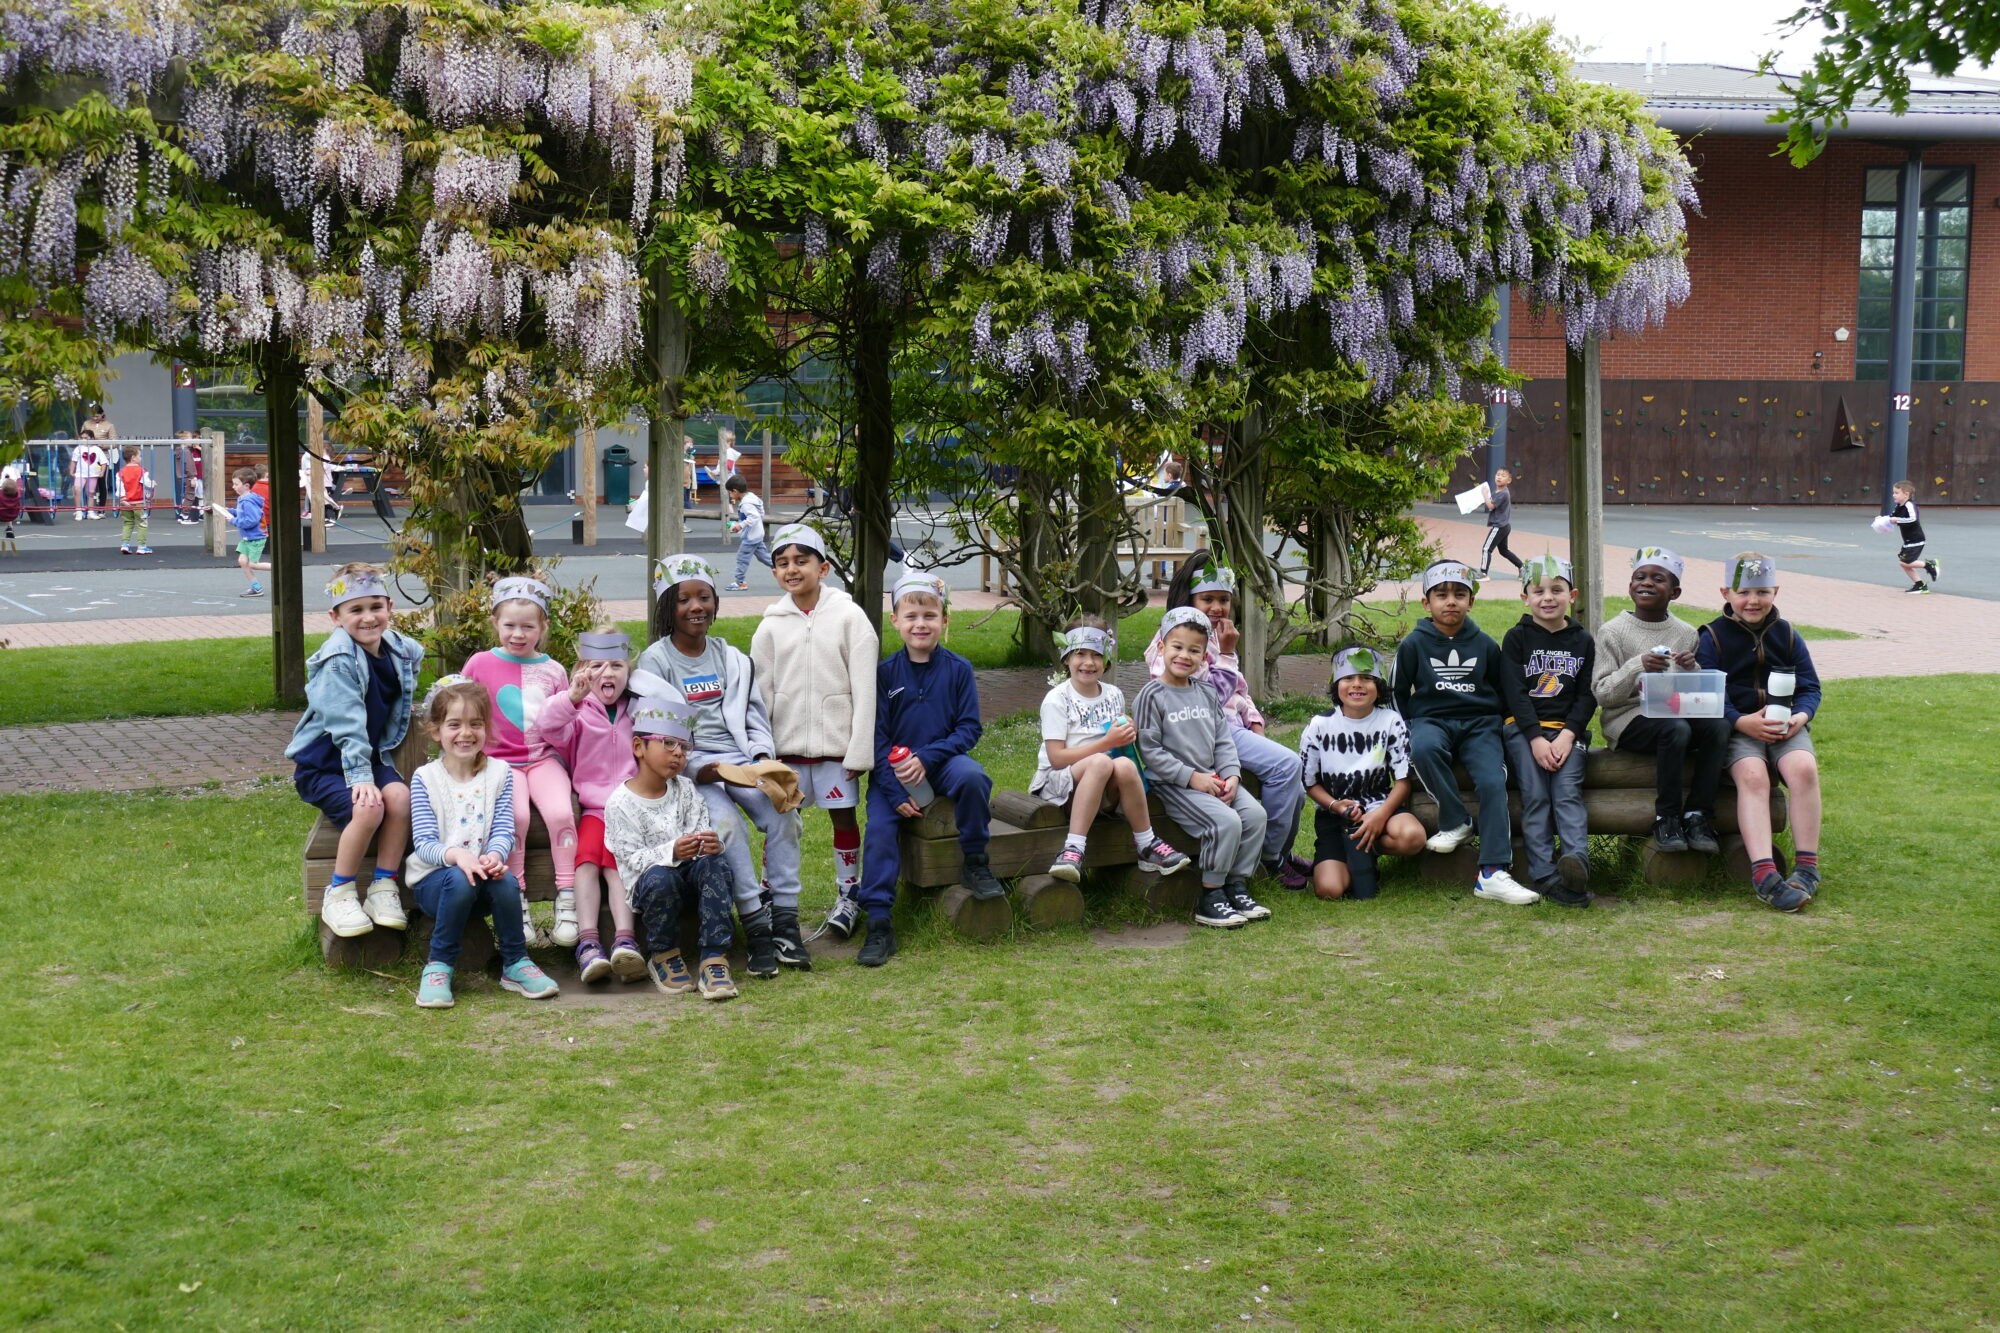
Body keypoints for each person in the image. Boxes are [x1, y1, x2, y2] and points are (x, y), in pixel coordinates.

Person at [638, 554, 804, 974]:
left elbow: (753, 715)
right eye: (683, 599)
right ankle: (756, 926)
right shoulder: (655, 663)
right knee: (724, 827)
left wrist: (763, 760)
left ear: (715, 602)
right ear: (666, 608)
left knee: (784, 813)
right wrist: (696, 769)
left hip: (741, 761)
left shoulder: (730, 657)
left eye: (704, 597)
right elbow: (658, 732)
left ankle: (786, 920)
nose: (696, 607)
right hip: (693, 769)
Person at [1143, 553, 1310, 891]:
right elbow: (1208, 699)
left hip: (1234, 729)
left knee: (1298, 789)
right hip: (1202, 734)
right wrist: (1229, 655)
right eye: (1208, 599)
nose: (1217, 607)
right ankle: (1271, 856)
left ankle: (1283, 851)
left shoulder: (1216, 638)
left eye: (1223, 600)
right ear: (1188, 599)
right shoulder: (1170, 643)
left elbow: (1240, 692)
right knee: (1288, 765)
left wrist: (1255, 719)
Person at [857, 574, 1001, 966]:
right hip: (894, 773)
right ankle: (879, 922)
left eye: (930, 615)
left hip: (942, 764)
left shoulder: (958, 669)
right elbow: (877, 738)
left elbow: (969, 728)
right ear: (895, 621)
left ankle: (975, 861)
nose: (921, 624)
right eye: (911, 616)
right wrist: (895, 790)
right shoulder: (884, 674)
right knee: (882, 830)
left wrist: (930, 757)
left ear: (944, 620)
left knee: (974, 777)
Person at [750, 523, 878, 939]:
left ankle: (848, 895)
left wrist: (859, 751)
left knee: (843, 819)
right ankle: (773, 895)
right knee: (781, 823)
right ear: (774, 573)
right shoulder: (770, 625)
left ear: (823, 568)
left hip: (836, 748)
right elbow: (760, 693)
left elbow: (865, 687)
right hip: (786, 749)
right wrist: (763, 752)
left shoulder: (849, 618)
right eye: (783, 563)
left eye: (801, 561)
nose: (792, 569)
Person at [287, 565, 425, 940]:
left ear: (389, 606)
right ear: (335, 617)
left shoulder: (396, 646)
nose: (368, 618)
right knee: (369, 806)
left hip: (370, 757)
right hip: (326, 766)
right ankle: (341, 891)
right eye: (355, 610)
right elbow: (348, 726)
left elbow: (416, 654)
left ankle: (384, 886)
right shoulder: (338, 662)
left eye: (375, 606)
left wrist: (405, 701)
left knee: (399, 798)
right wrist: (361, 779)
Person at [404, 676, 560, 1007]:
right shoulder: (425, 779)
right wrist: (459, 856)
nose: (466, 733)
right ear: (436, 732)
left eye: (475, 724)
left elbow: (504, 827)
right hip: (438, 885)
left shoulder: (500, 774)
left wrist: (493, 854)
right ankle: (439, 965)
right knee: (460, 878)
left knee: (504, 882)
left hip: (483, 884)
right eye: (454, 725)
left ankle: (516, 963)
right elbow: (424, 843)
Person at [1393, 559, 1539, 905]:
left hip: (1480, 725)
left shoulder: (1486, 645)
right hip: (1431, 720)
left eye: (1460, 594)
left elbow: (1502, 694)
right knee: (1424, 750)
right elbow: (1396, 693)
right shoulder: (1414, 644)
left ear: (1471, 601)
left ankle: (1492, 873)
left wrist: (1504, 727)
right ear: (1426, 603)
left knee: (1491, 781)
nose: (1451, 601)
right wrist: (1405, 729)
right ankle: (1455, 820)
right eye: (1441, 595)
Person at [1696, 554, 1825, 912]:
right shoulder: (1710, 637)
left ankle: (1807, 867)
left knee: (1803, 769)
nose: (1753, 601)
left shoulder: (1788, 635)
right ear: (1726, 591)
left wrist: (1801, 715)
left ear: (1776, 591)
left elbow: (1811, 686)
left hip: (1786, 725)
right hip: (1739, 728)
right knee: (1753, 777)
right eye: (1744, 592)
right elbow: (1708, 693)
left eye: (1763, 592)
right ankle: (1764, 872)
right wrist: (1740, 721)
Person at [461, 576, 579, 948]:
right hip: (500, 764)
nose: (517, 634)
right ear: (495, 623)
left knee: (561, 814)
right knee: (517, 819)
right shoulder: (480, 664)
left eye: (528, 626)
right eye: (509, 625)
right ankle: (518, 901)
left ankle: (568, 899)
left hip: (543, 760)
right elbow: (459, 704)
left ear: (543, 627)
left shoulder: (555, 671)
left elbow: (564, 725)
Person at [1136, 607, 1270, 928]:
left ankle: (1237, 886)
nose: (1185, 656)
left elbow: (1223, 740)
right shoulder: (1150, 696)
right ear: (1161, 648)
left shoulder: (1207, 693)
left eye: (1194, 650)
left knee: (1254, 816)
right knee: (1224, 823)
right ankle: (1211, 895)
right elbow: (1150, 751)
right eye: (1177, 647)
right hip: (1176, 785)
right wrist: (1191, 778)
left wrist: (1232, 774)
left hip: (1214, 778)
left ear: (1204, 656)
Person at [1591, 547, 1728, 858]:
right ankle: (1665, 817)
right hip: (1627, 719)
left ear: (1675, 591)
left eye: (1658, 578)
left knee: (1719, 726)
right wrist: (1636, 665)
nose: (1647, 583)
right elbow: (1603, 694)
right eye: (1640, 577)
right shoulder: (1612, 632)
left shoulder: (1686, 633)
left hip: (1672, 710)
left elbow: (1689, 692)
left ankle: (1698, 814)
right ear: (1629, 587)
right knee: (1676, 729)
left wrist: (1692, 668)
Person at [605, 691, 741, 1001]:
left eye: (684, 746)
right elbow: (629, 858)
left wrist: (710, 844)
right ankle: (663, 954)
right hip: (651, 885)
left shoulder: (686, 789)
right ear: (639, 747)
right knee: (659, 877)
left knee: (716, 864)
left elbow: (699, 828)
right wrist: (671, 852)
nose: (677, 753)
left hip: (691, 876)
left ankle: (714, 958)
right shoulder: (620, 803)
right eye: (668, 743)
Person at [1031, 617, 1189, 882]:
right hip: (1060, 786)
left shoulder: (1113, 694)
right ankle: (1073, 848)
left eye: (1096, 655)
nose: (1089, 662)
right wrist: (1106, 744)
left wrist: (1128, 731)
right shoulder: (1058, 699)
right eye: (1080, 653)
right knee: (1100, 762)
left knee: (1124, 765)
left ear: (1106, 659)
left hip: (1105, 785)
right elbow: (1056, 759)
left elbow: (1118, 745)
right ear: (1066, 658)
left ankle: (1147, 844)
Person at [537, 630, 651, 985]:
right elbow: (548, 728)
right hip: (595, 810)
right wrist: (571, 698)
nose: (608, 673)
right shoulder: (578, 713)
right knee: (586, 862)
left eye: (617, 665)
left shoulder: (638, 710)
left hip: (632, 810)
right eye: (597, 665)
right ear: (583, 670)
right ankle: (587, 943)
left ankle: (624, 941)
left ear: (628, 671)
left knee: (618, 865)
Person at [1500, 553, 1597, 908]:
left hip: (1567, 734)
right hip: (1524, 732)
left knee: (1567, 792)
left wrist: (1570, 735)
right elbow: (1514, 694)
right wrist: (1536, 738)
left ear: (1572, 595)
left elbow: (1587, 695)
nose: (1547, 597)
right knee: (1537, 795)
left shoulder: (1582, 640)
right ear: (1524, 596)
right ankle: (1544, 873)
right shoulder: (1516, 638)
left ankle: (1576, 863)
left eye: (1557, 589)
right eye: (1538, 590)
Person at [1298, 646, 1426, 901]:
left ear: (1378, 686)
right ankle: (1350, 853)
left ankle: (1367, 850)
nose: (1357, 685)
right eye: (1348, 678)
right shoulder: (1319, 725)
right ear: (1336, 685)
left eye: (1366, 678)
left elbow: (1402, 780)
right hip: (1335, 814)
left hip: (1379, 805)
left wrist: (1379, 816)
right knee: (1330, 889)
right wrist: (1335, 805)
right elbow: (1310, 784)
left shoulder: (1391, 721)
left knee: (1413, 837)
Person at [1886, 480, 1941, 594]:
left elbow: (1913, 519)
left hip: (1916, 539)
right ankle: (1920, 585)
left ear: (1906, 494)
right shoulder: (1899, 506)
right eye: (1893, 492)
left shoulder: (1910, 505)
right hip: (1908, 541)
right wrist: (1882, 519)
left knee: (1904, 562)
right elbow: (1891, 517)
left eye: (1896, 493)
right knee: (1905, 564)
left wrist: (1897, 520)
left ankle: (1929, 565)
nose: (1893, 495)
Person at [226, 468, 271, 596]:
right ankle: (256, 588)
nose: (233, 486)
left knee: (253, 564)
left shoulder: (248, 501)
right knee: (242, 561)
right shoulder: (242, 499)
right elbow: (240, 513)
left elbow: (251, 520)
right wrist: (228, 511)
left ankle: (281, 569)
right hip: (247, 538)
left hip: (256, 538)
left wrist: (233, 520)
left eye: (236, 484)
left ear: (246, 486)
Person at [724, 473, 772, 590]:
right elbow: (759, 514)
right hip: (757, 534)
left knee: (742, 558)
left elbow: (754, 517)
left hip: (751, 537)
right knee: (764, 557)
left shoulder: (746, 504)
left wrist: (740, 526)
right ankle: (782, 568)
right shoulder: (752, 497)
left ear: (735, 491)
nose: (730, 495)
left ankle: (740, 582)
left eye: (730, 492)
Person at [1478, 469, 1524, 579]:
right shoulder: (1498, 492)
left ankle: (1483, 573)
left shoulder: (1503, 493)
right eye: (1497, 474)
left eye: (1503, 476)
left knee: (1486, 549)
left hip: (1499, 526)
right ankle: (1522, 567)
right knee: (1503, 551)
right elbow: (1490, 502)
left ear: (1509, 480)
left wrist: (1484, 494)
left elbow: (1490, 506)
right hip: (1504, 526)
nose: (1499, 477)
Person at [114, 445, 153, 555]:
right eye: (139, 456)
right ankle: (142, 546)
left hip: (125, 502)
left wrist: (122, 498)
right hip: (138, 501)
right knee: (142, 523)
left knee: (128, 522)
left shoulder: (120, 473)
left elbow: (119, 487)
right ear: (133, 458)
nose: (141, 458)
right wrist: (152, 483)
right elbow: (146, 483)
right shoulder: (142, 471)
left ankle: (125, 544)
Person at [70, 436, 106, 520]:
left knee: (91, 492)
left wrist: (102, 472)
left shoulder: (97, 449)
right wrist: (71, 470)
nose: (84, 439)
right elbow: (74, 461)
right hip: (80, 474)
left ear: (92, 438)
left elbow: (103, 462)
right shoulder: (78, 448)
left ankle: (90, 512)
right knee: (77, 489)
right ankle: (78, 511)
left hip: (92, 474)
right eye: (82, 438)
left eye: (86, 437)